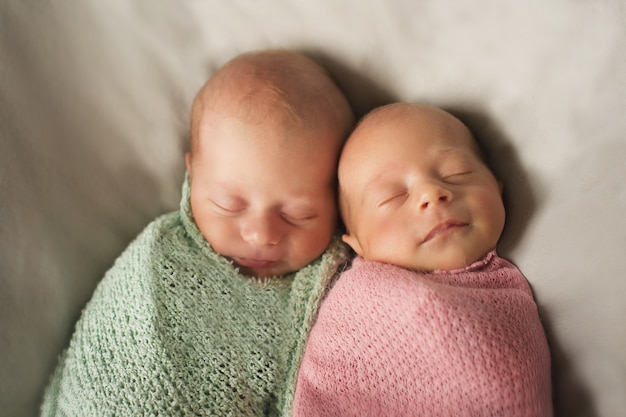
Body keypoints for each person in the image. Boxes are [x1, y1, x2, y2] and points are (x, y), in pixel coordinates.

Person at [41, 49, 355, 416]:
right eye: (229, 205)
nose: (260, 234)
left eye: (297, 214)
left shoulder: (334, 292)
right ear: (193, 174)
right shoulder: (160, 258)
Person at [292, 103, 553, 416]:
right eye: (392, 196)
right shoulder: (361, 301)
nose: (431, 192)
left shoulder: (506, 296)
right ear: (358, 245)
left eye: (456, 172)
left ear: (497, 189)